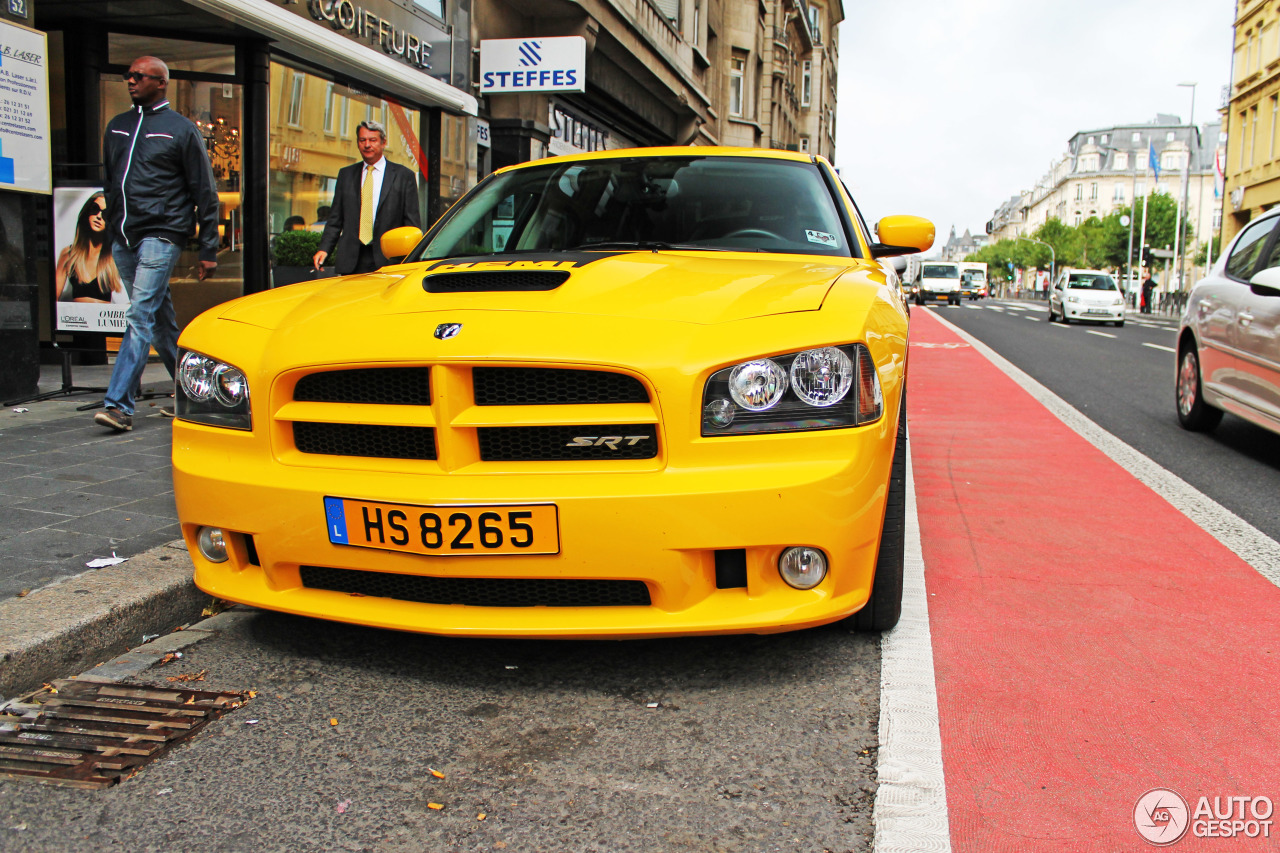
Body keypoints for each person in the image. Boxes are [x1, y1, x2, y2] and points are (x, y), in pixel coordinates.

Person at [93, 56, 219, 433]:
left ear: (161, 82)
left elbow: (204, 190)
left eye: (138, 76)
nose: (130, 81)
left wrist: (208, 248)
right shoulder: (117, 127)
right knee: (159, 320)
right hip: (125, 236)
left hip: (162, 233)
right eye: (128, 76)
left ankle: (118, 406)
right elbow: (111, 182)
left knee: (138, 315)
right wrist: (113, 228)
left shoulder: (180, 129)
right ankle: (193, 393)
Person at [313, 120, 421, 275]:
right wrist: (324, 249)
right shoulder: (346, 175)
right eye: (362, 140)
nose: (367, 145)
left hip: (388, 262)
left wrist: (410, 261)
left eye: (373, 140)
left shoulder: (404, 176)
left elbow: (411, 225)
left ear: (383, 143)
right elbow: (335, 220)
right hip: (351, 261)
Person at [57, 192, 125, 303]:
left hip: (103, 319)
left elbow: (139, 294)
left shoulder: (115, 256)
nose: (99, 216)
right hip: (77, 318)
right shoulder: (69, 254)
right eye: (95, 209)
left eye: (105, 213)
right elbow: (52, 300)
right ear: (87, 212)